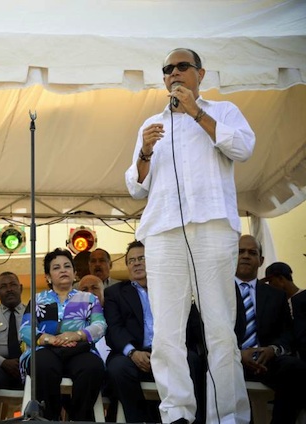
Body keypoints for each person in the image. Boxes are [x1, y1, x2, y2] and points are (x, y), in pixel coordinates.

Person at [125, 48, 254, 424]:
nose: (174, 73)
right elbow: (136, 187)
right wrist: (145, 152)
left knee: (219, 329)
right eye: (168, 69)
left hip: (212, 227)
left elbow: (243, 148)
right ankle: (177, 414)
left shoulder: (224, 111)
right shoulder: (152, 123)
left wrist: (196, 112)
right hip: (164, 232)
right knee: (166, 333)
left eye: (182, 67)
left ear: (201, 73)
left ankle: (226, 416)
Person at [105, 241, 205, 423]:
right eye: (131, 260)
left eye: (142, 258)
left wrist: (170, 350)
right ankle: (140, 420)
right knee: (118, 368)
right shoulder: (115, 293)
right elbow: (114, 328)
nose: (136, 263)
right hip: (135, 355)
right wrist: (132, 352)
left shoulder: (173, 288)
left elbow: (188, 324)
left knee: (192, 360)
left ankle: (192, 420)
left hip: (170, 352)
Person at [20, 248, 106, 421]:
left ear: (74, 273)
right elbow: (25, 329)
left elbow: (100, 325)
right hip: (46, 350)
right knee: (42, 365)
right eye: (56, 267)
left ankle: (79, 418)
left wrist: (77, 335)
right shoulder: (37, 300)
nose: (63, 270)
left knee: (92, 367)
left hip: (78, 350)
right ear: (48, 277)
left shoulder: (89, 299)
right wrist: (49, 339)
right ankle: (50, 418)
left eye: (67, 266)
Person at [235, 235, 306, 422]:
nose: (246, 256)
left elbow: (287, 334)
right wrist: (237, 354)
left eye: (252, 253)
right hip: (229, 362)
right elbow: (204, 335)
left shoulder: (276, 295)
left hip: (266, 362)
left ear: (261, 260)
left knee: (296, 368)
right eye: (240, 251)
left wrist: (273, 349)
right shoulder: (217, 292)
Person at [263, 262, 306, 360]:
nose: (269, 286)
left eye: (270, 281)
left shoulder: (302, 299)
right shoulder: (276, 306)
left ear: (281, 279)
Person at [0, 272, 25, 390]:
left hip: (29, 368)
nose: (9, 289)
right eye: (3, 287)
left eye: (13, 285)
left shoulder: (33, 313)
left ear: (21, 288)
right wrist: (3, 362)